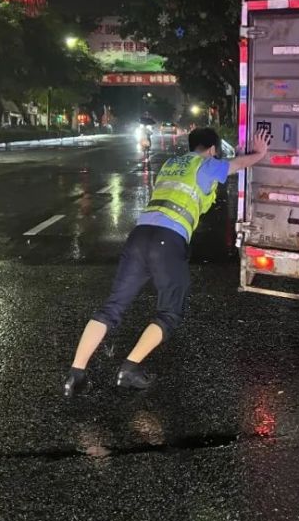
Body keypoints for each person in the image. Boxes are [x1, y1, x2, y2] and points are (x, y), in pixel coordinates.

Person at [63, 127, 270, 396]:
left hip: (139, 236)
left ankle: (75, 375)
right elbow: (237, 165)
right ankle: (129, 368)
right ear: (212, 150)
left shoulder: (172, 164)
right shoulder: (206, 164)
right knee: (170, 312)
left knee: (112, 307)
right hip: (168, 240)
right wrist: (260, 153)